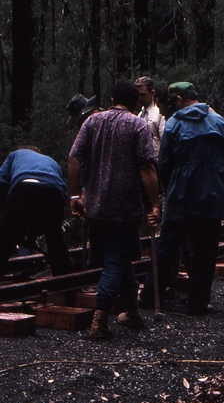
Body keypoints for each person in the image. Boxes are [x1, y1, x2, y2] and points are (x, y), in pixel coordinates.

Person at [68, 81, 160, 338]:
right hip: (125, 207)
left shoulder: (92, 122)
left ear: (111, 97)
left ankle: (132, 312)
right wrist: (154, 203)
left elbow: (74, 158)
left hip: (96, 206)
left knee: (119, 259)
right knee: (115, 260)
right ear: (135, 103)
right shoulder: (137, 124)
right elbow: (146, 167)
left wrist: (75, 195)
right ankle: (99, 319)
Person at [140, 82, 224, 316]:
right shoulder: (220, 121)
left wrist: (164, 189)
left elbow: (164, 163)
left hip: (182, 195)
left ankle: (149, 296)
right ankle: (198, 303)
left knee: (167, 247)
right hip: (213, 195)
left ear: (180, 99)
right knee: (206, 251)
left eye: (173, 103)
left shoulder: (174, 124)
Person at [0, 147, 72, 277]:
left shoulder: (14, 154)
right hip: (54, 191)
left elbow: (2, 181)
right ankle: (65, 281)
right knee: (55, 237)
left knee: (5, 239)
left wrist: (6, 219)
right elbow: (41, 212)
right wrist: (32, 236)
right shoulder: (51, 161)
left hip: (23, 186)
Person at [134, 76, 166, 153]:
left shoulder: (159, 113)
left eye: (143, 95)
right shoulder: (141, 114)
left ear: (152, 93)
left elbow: (165, 140)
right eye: (138, 95)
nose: (140, 98)